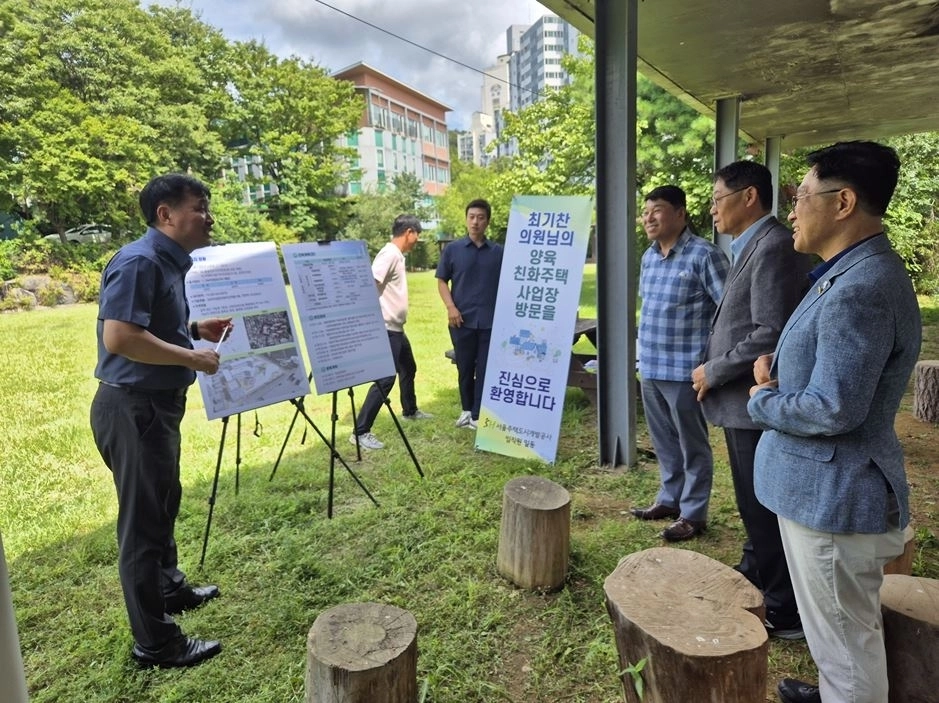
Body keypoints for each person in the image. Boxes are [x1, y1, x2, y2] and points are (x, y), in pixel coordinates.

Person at [748, 141, 920, 703]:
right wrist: (786, 370)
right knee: (839, 635)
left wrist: (762, 400)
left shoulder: (862, 287)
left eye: (799, 196)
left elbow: (834, 408)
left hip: (834, 501)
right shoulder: (850, 270)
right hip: (828, 493)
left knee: (847, 648)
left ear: (843, 201)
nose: (791, 210)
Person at [90, 173, 231, 668]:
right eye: (199, 205)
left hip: (153, 408)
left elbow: (152, 323)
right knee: (143, 527)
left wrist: (194, 329)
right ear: (165, 215)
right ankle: (155, 642)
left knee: (164, 502)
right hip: (133, 409)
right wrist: (194, 356)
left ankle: (170, 589)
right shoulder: (139, 261)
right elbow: (121, 338)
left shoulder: (168, 263)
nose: (208, 215)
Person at [691, 160, 813, 640]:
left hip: (753, 403)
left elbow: (768, 331)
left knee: (761, 505)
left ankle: (784, 610)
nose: (713, 209)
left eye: (718, 198)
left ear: (748, 197)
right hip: (742, 401)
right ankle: (755, 569)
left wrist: (714, 369)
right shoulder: (755, 244)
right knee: (750, 500)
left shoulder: (773, 247)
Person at [631, 186, 729, 541]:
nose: (649, 218)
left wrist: (713, 364)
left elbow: (728, 312)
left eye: (657, 210)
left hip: (686, 370)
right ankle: (669, 499)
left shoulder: (705, 255)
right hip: (652, 366)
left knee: (692, 443)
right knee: (663, 441)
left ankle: (694, 513)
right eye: (645, 212)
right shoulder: (648, 257)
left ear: (680, 214)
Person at [351, 214, 433, 450]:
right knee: (386, 378)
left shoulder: (397, 255)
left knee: (409, 367)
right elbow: (370, 281)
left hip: (396, 327)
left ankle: (410, 410)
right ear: (409, 232)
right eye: (417, 235)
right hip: (386, 327)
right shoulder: (389, 254)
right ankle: (360, 431)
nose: (417, 240)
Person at [436, 198, 503, 430]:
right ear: (466, 219)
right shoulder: (453, 250)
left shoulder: (498, 253)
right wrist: (451, 307)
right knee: (464, 367)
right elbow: (442, 280)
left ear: (487, 222)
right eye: (472, 217)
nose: (475, 222)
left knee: (485, 368)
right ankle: (466, 410)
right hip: (460, 320)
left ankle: (477, 414)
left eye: (480, 218)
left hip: (490, 322)